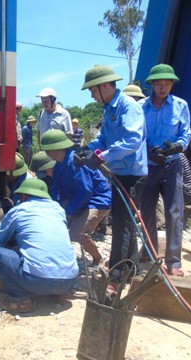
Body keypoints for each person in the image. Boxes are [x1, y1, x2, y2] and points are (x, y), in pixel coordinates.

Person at [78, 65, 147, 284]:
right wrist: (86, 148)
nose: (91, 94)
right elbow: (104, 140)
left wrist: (101, 157)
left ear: (105, 86)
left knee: (121, 223)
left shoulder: (128, 107)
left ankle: (116, 272)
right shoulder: (109, 109)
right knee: (124, 221)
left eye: (92, 90)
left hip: (132, 173)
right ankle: (132, 266)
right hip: (120, 171)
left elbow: (132, 140)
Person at [0, 178, 79, 313]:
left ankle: (21, 301)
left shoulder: (21, 209)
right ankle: (58, 294)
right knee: (35, 251)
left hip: (39, 281)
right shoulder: (58, 209)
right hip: (69, 280)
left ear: (25, 195)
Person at [139, 64, 191, 277]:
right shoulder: (140, 107)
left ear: (172, 84)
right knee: (147, 212)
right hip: (148, 165)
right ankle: (150, 253)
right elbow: (137, 135)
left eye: (167, 84)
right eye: (158, 84)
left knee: (174, 212)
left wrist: (177, 147)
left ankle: (174, 261)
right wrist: (148, 151)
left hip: (172, 165)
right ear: (151, 84)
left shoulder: (181, 106)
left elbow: (185, 134)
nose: (162, 88)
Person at [40, 129, 112, 268]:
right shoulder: (58, 166)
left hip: (97, 201)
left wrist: (68, 212)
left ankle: (98, 258)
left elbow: (85, 192)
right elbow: (57, 189)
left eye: (48, 149)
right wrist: (55, 208)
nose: (47, 153)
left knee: (76, 233)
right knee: (55, 223)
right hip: (78, 198)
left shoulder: (75, 162)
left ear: (56, 149)